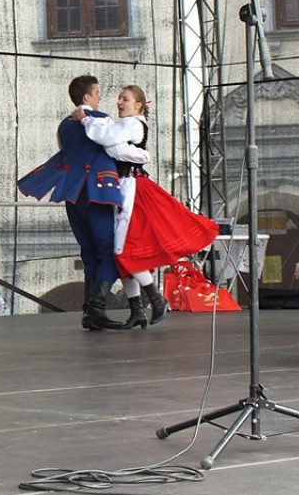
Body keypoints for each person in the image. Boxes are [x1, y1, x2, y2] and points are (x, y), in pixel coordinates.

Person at [81, 85, 218, 329]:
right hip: (124, 188)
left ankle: (155, 298)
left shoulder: (132, 124)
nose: (119, 103)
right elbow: (116, 145)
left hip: (133, 190)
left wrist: (86, 121)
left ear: (139, 105)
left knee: (124, 251)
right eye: (119, 99)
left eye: (125, 99)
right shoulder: (126, 125)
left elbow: (110, 141)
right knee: (122, 253)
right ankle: (138, 309)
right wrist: (130, 152)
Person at [17, 75, 141, 331]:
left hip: (73, 193)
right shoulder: (99, 120)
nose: (100, 97)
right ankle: (96, 309)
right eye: (97, 92)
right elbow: (115, 147)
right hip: (98, 191)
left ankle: (90, 311)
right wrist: (142, 154)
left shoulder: (64, 125)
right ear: (87, 98)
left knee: (89, 252)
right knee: (107, 249)